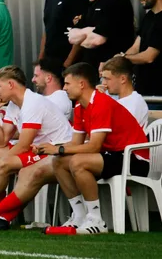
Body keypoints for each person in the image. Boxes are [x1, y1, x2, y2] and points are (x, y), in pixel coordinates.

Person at [33, 62, 150, 235]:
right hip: (114, 155)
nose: (64, 88)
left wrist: (59, 149)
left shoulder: (101, 103)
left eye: (67, 83)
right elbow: (75, 143)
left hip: (134, 158)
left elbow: (94, 146)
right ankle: (79, 216)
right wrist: (50, 149)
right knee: (58, 162)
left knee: (78, 162)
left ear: (81, 84)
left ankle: (96, 220)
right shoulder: (80, 106)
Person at [0, 65, 74, 228]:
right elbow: (1, 141)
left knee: (4, 163)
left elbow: (24, 145)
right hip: (39, 150)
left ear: (11, 85)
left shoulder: (32, 103)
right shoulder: (13, 105)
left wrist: (2, 162)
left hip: (55, 151)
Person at [125, 0, 162, 97]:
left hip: (158, 92)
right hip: (143, 89)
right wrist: (118, 59)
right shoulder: (149, 16)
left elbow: (149, 57)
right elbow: (136, 46)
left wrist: (123, 59)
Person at [100, 57, 148, 129]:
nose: (103, 83)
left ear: (123, 79)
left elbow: (116, 130)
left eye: (107, 79)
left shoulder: (135, 102)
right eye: (103, 79)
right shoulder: (112, 98)